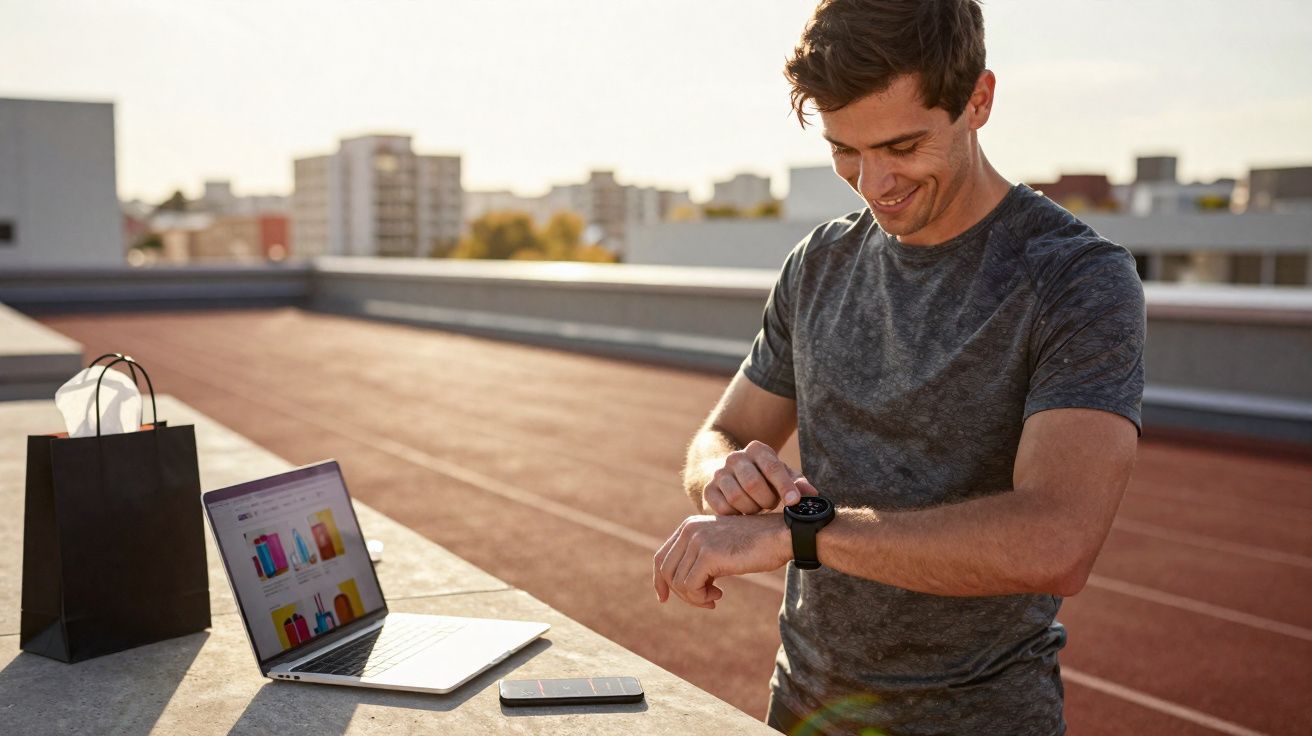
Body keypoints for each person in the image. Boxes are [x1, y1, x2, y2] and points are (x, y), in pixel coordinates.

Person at [650, 1, 1145, 734]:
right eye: (845, 150)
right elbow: (721, 432)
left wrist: (802, 533)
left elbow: (1057, 541)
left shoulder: (1075, 279)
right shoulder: (819, 262)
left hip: (984, 719)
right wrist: (723, 471)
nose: (874, 182)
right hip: (805, 707)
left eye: (903, 146)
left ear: (978, 100)